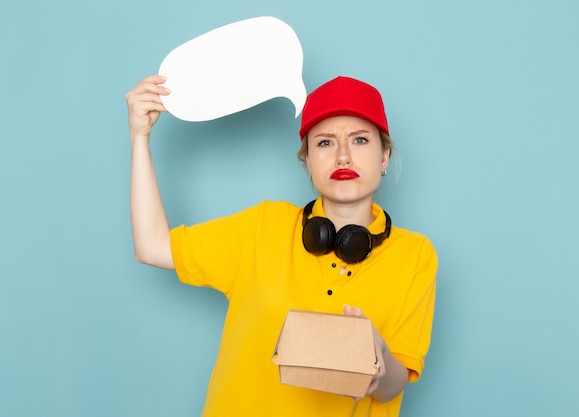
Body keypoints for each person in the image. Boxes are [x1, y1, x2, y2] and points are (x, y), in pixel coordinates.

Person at [125, 74, 437, 417]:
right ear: (307, 163)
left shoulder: (416, 255)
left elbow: (394, 386)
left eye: (360, 140)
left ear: (384, 157)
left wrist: (379, 358)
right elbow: (152, 246)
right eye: (325, 143)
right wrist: (140, 137)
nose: (343, 157)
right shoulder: (263, 226)